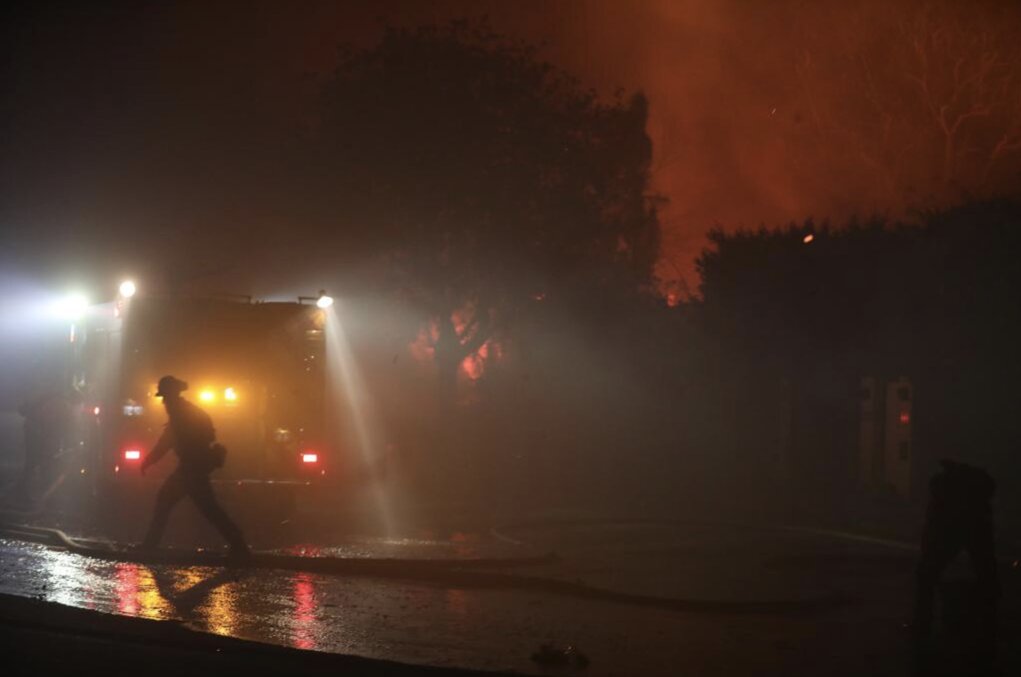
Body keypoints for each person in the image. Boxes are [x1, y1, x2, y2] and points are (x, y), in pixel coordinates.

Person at [139, 375, 250, 560]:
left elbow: (165, 443)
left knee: (170, 503)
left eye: (165, 396)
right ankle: (239, 544)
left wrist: (148, 461)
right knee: (207, 508)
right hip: (193, 468)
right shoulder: (186, 413)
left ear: (172, 396)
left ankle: (149, 546)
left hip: (191, 469)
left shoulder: (182, 415)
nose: (164, 401)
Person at [911, 459, 998, 671]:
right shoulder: (973, 496)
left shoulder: (943, 495)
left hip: (953, 529)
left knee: (926, 576)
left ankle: (923, 624)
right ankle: (989, 621)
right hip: (971, 527)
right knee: (986, 573)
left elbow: (932, 531)